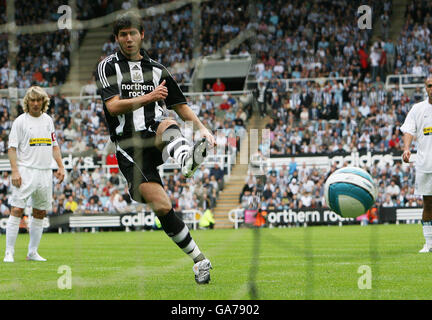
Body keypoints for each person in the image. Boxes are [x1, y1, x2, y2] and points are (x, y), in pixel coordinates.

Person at [95, 12, 216, 284]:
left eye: (132, 33)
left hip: (156, 131)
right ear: (117, 38)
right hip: (129, 146)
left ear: (142, 35)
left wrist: (202, 128)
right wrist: (148, 96)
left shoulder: (158, 69)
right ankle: (200, 261)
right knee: (162, 206)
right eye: (123, 34)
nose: (128, 38)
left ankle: (186, 160)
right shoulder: (107, 67)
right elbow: (112, 105)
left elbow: (179, 104)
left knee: (167, 122)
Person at [4, 86, 65, 263]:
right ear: (28, 102)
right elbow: (12, 148)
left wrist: (60, 166)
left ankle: (32, 252)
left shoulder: (48, 121)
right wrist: (15, 171)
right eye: (33, 100)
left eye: (39, 100)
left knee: (39, 212)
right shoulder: (20, 121)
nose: (36, 103)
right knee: (16, 209)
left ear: (44, 102)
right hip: (25, 171)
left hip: (45, 172)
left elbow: (54, 146)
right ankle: (9, 252)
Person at [401, 76, 432, 253]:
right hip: (425, 165)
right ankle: (428, 244)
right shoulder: (418, 109)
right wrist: (406, 148)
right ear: (425, 88)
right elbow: (408, 129)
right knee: (427, 204)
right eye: (430, 86)